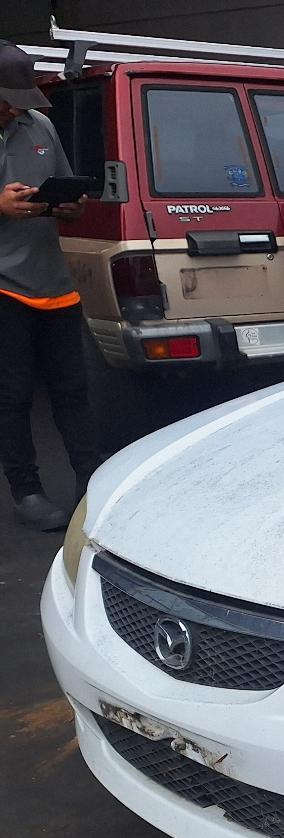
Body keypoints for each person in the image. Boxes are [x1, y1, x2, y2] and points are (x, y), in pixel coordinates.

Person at [0, 40, 97, 532]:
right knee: (13, 394)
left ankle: (89, 478)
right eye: (8, 97)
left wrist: (71, 206)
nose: (17, 106)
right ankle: (27, 491)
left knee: (73, 389)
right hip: (3, 287)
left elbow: (64, 184)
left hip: (52, 280)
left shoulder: (39, 127)